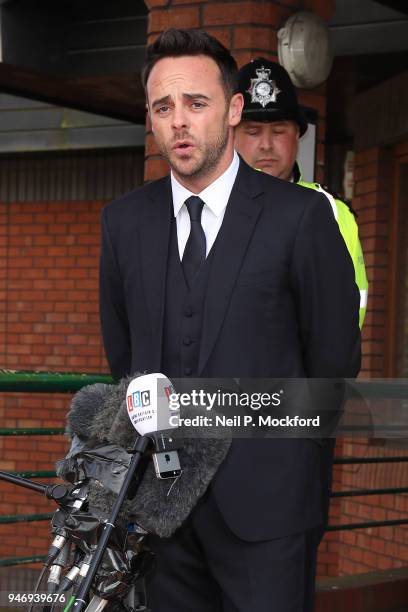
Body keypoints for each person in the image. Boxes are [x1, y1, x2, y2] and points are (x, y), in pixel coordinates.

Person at [99, 29, 361, 612]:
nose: (179, 122)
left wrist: (287, 475)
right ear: (150, 116)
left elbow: (332, 366)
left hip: (269, 515)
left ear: (233, 109)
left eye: (197, 103)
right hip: (162, 514)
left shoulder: (302, 218)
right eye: (163, 107)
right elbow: (125, 359)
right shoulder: (123, 224)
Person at [234, 58, 368, 328]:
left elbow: (350, 313)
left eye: (279, 130)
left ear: (297, 135)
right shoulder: (202, 205)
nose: (266, 145)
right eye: (253, 132)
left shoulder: (331, 211)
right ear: (231, 136)